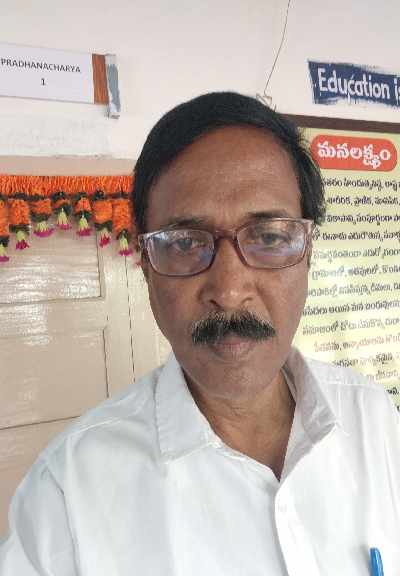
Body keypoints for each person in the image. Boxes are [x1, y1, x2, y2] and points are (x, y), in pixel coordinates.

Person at [1, 92, 399, 575]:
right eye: (185, 242)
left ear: (307, 251)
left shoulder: (374, 420)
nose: (228, 292)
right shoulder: (66, 495)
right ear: (145, 264)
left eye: (269, 236)